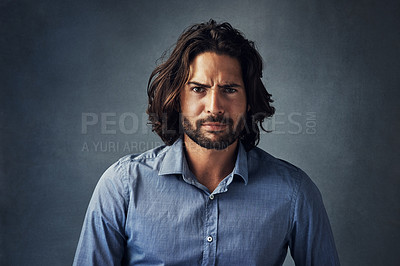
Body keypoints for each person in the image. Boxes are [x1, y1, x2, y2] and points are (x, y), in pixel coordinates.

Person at [73, 20, 340, 266]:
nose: (214, 107)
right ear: (177, 98)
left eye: (229, 89)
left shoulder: (294, 192)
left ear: (249, 101)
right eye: (198, 89)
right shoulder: (122, 187)